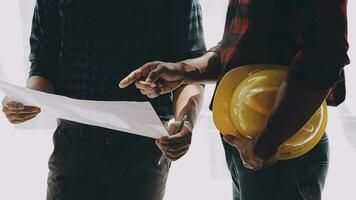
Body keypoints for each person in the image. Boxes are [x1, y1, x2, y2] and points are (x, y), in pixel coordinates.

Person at [119, 0, 350, 199]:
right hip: (253, 146)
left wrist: (269, 141)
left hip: (280, 151)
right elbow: (236, 52)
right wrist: (182, 70)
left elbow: (325, 53)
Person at [1, 0, 206, 199]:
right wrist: (25, 100)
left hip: (143, 150)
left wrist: (185, 122)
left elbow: (191, 71)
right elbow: (43, 66)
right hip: (73, 148)